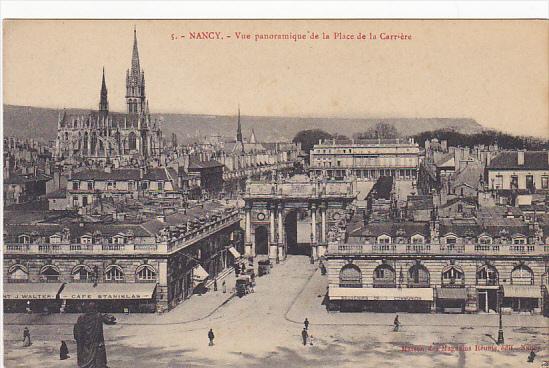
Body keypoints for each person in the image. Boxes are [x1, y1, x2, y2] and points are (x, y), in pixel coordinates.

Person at [73, 302, 108, 368]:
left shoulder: (81, 317)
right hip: (95, 342)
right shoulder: (98, 316)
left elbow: (78, 331)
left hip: (87, 343)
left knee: (88, 353)